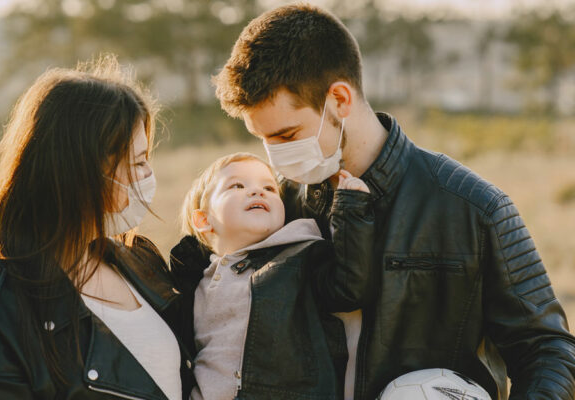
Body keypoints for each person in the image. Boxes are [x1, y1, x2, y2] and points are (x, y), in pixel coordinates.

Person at [212, 4, 575, 399]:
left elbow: (548, 351)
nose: (274, 157)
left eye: (286, 135)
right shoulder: (276, 207)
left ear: (339, 99)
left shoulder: (475, 207)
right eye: (263, 140)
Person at [0, 55, 193, 399]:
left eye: (146, 159)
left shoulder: (139, 258)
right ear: (80, 171)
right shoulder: (0, 301)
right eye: (136, 163)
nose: (148, 177)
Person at [169, 152, 374, 399]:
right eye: (237, 185)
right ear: (203, 220)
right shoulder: (193, 279)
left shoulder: (300, 257)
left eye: (269, 187)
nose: (258, 192)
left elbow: (350, 287)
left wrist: (351, 209)